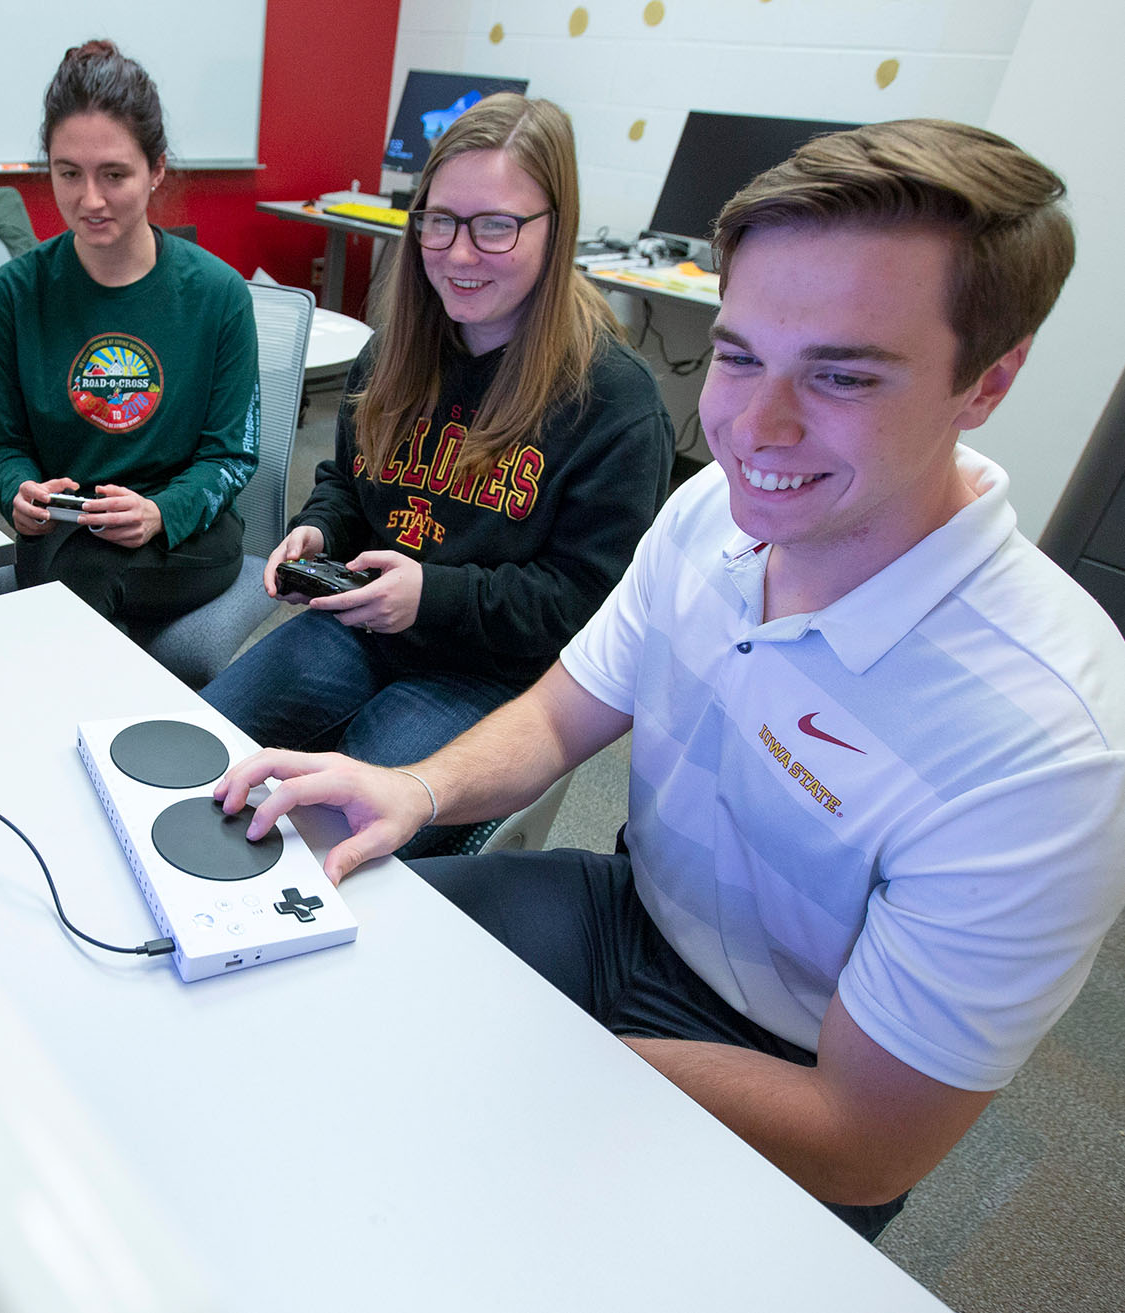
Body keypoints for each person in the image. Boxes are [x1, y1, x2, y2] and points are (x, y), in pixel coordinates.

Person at [212, 119, 1125, 1240]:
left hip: (791, 1063)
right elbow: (561, 710)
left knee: (486, 1200)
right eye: (738, 354)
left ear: (986, 380)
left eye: (839, 374)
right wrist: (423, 792)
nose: (750, 426)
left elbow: (867, 1136)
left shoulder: (1047, 738)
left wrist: (544, 1065)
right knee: (327, 968)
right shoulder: (710, 514)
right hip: (623, 914)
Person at [200, 94, 673, 855]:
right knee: (205, 747)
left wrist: (434, 596)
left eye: (496, 226)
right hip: (356, 630)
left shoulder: (612, 401)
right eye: (439, 220)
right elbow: (348, 482)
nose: (456, 253)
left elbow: (589, 609)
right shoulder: (395, 350)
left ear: (556, 228)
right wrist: (318, 528)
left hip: (489, 674)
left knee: (345, 840)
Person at [0, 40, 259, 630]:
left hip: (185, 531)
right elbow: (4, 449)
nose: (91, 199)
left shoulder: (218, 295)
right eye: (68, 173)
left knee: (77, 581)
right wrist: (18, 494)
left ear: (156, 169)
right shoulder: (12, 295)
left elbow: (231, 457)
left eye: (115, 174)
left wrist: (159, 511)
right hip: (66, 527)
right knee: (69, 568)